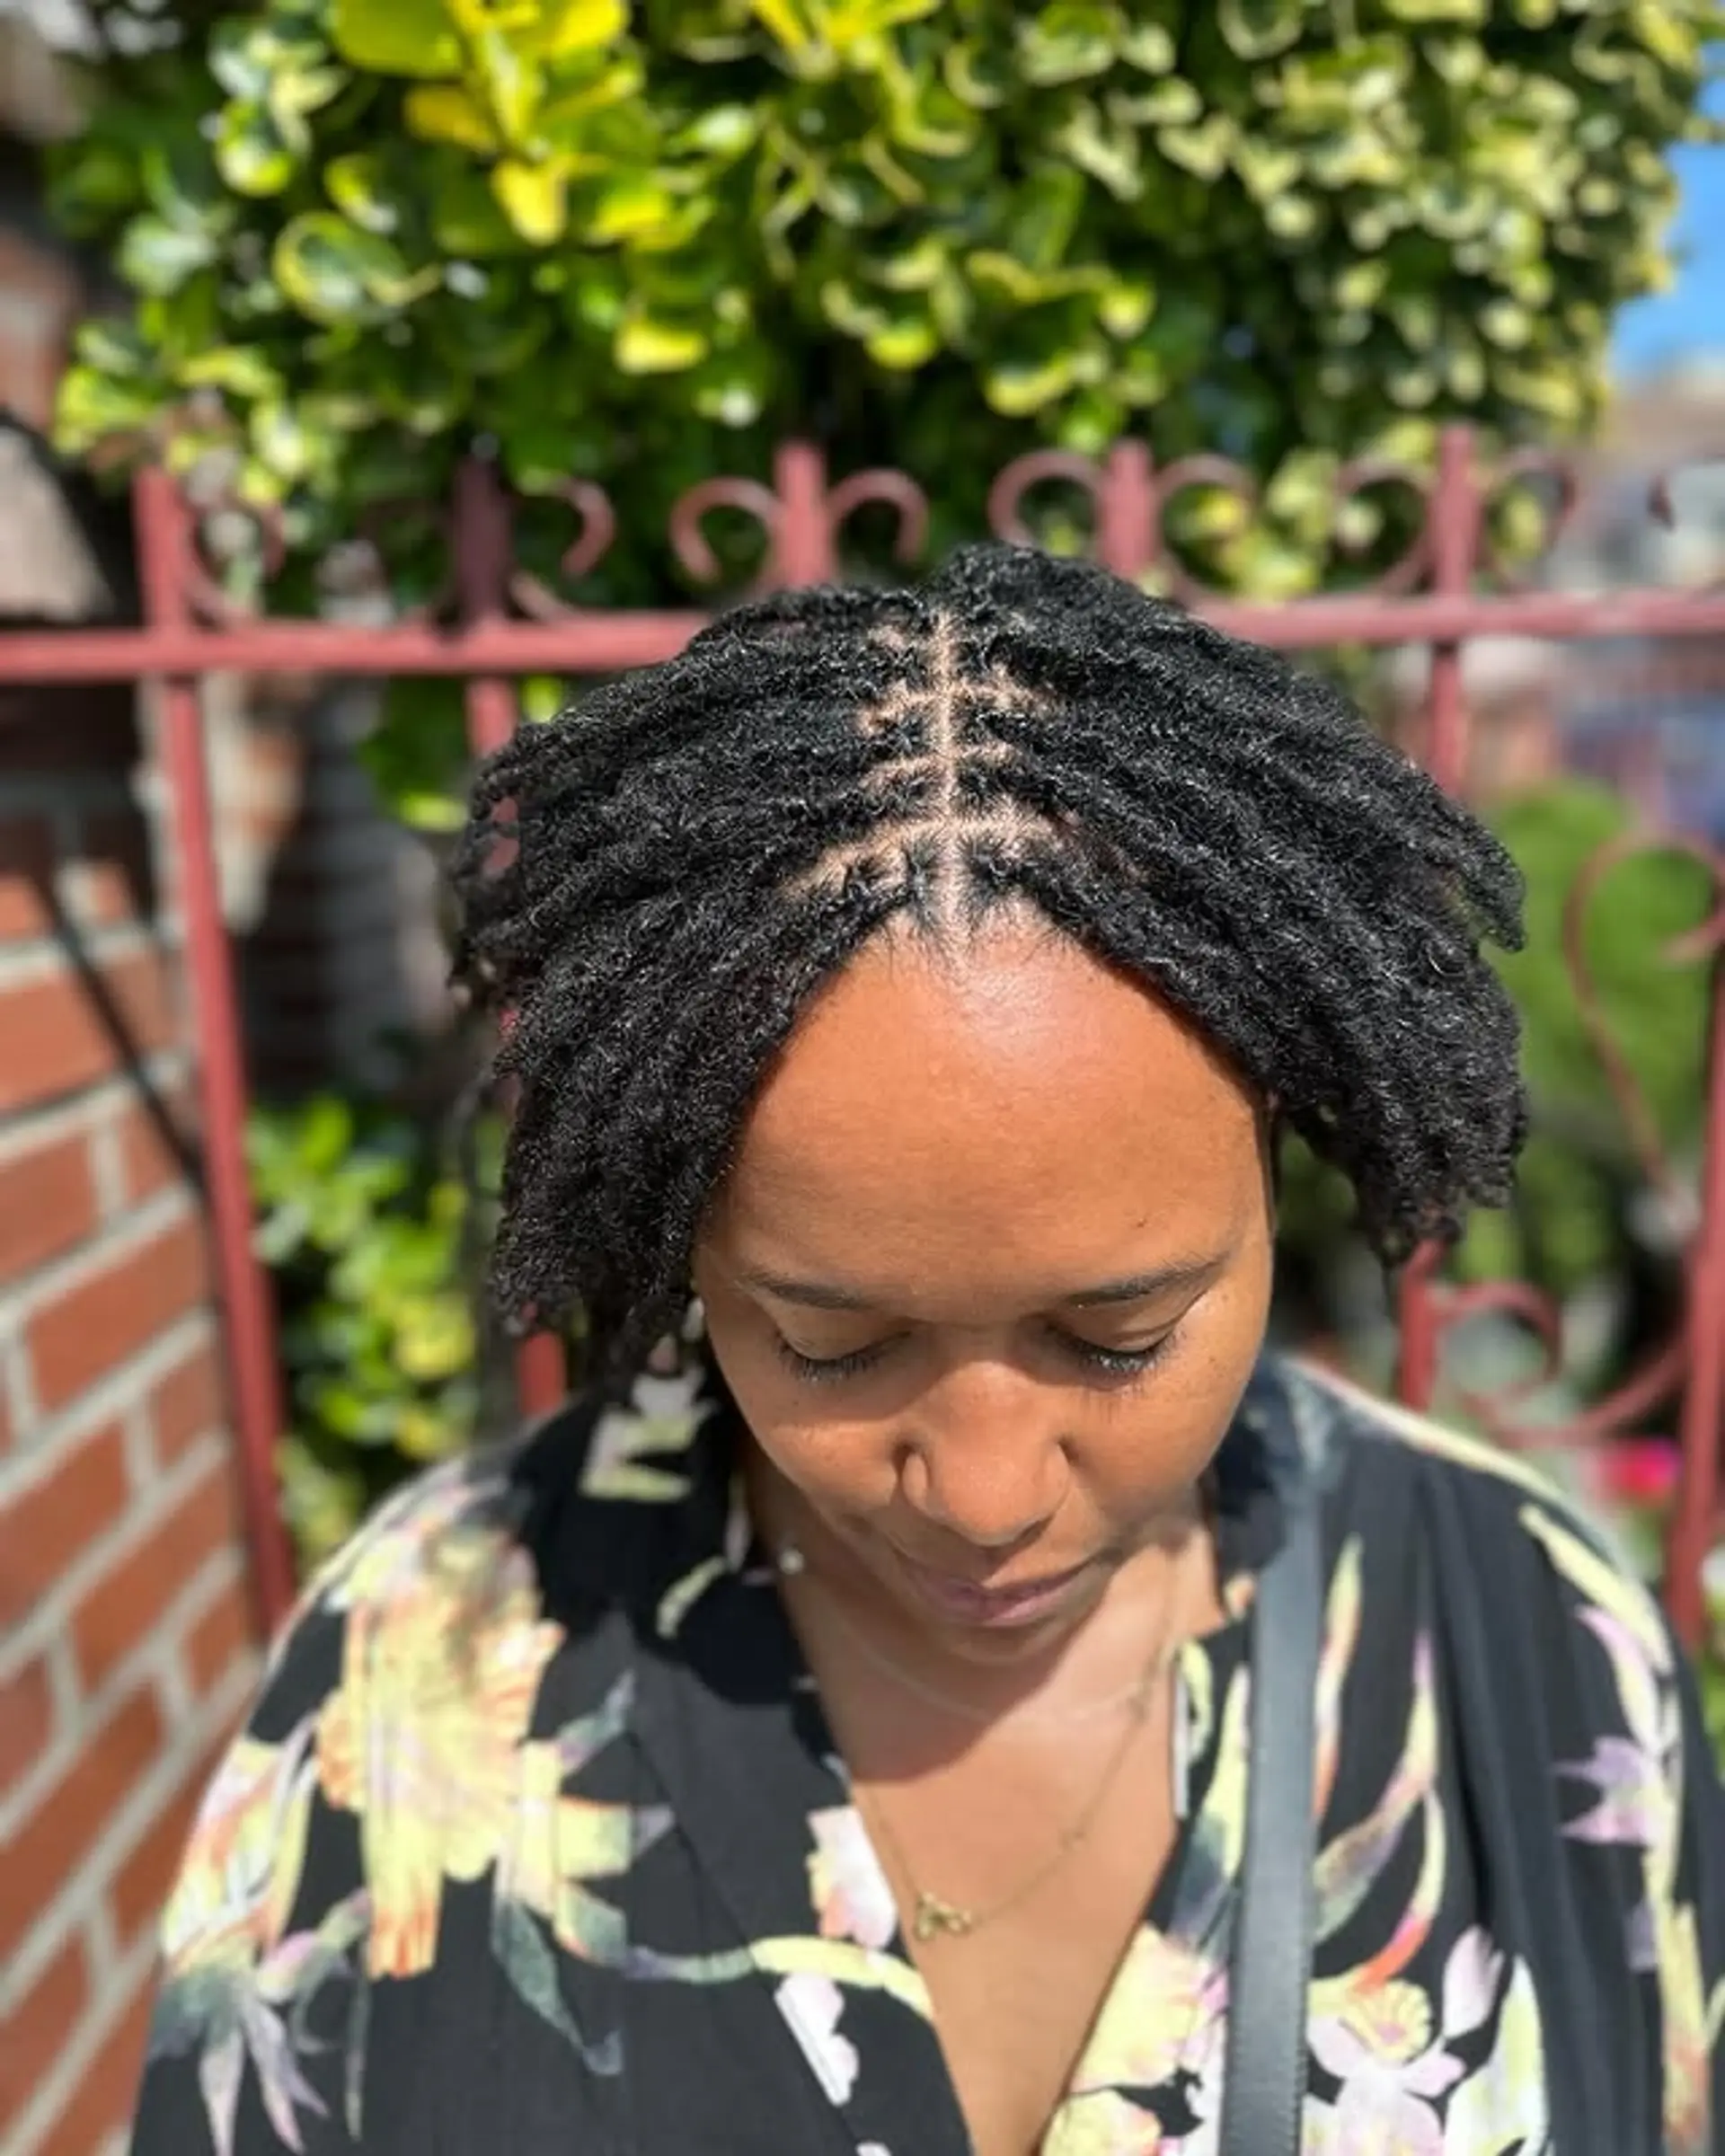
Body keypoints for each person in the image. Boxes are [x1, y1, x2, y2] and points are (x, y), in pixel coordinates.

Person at [129, 546, 1722, 2156]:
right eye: (832, 1346)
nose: (983, 1494)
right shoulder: (420, 1664)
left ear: (1273, 1168)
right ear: (689, 1239)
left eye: (1118, 1338)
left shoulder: (1533, 1639)